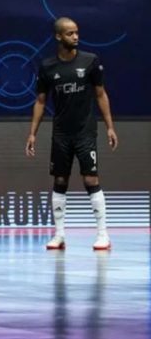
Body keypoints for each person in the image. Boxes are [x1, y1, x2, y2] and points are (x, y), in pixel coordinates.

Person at [26, 17, 118, 251]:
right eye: (70, 33)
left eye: (77, 32)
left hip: (85, 131)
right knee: (59, 180)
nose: (75, 37)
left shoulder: (90, 61)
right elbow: (40, 101)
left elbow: (100, 94)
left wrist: (109, 126)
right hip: (61, 133)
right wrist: (32, 134)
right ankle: (59, 235)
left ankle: (103, 235)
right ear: (59, 37)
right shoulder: (47, 67)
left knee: (91, 179)